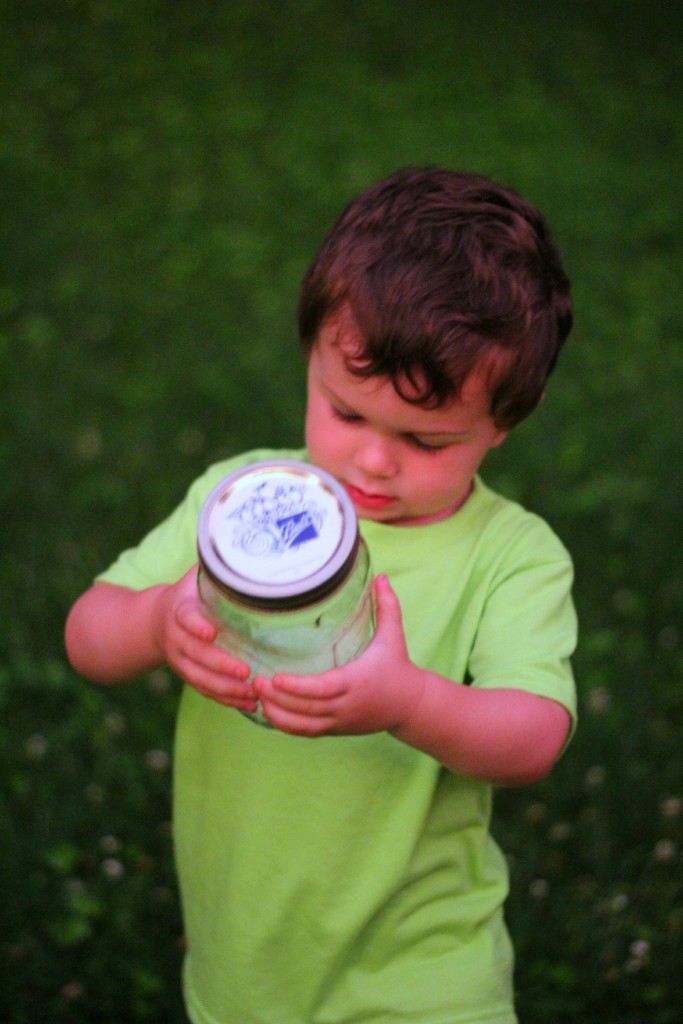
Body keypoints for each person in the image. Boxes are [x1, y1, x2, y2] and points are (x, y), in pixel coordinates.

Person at [65, 166, 578, 1024]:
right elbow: (87, 633)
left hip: (422, 975)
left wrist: (407, 700)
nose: (373, 462)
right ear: (310, 360)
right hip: (247, 970)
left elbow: (532, 739)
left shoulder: (510, 557)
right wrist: (159, 620)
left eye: (424, 438)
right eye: (344, 413)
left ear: (502, 423)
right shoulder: (239, 506)